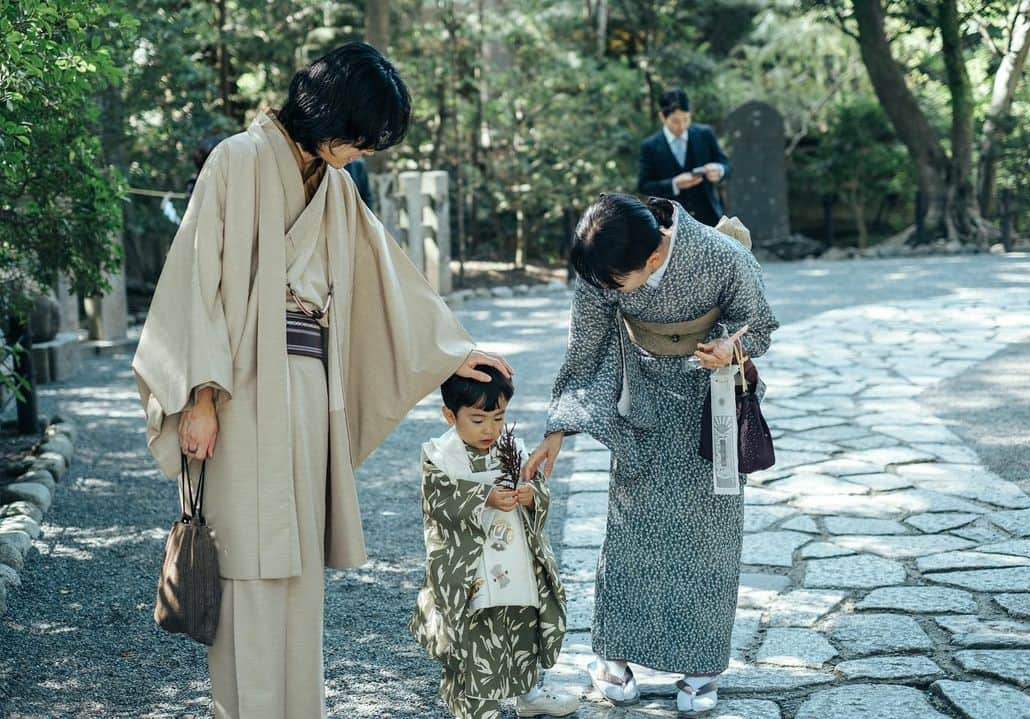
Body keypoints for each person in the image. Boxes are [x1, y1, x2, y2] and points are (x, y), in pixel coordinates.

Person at [133, 42, 511, 719]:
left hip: (308, 385)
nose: (363, 152)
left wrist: (451, 353)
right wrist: (199, 398)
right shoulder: (238, 160)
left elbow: (382, 278)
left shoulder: (333, 185)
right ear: (329, 114)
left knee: (299, 564)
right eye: (360, 136)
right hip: (239, 387)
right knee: (248, 558)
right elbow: (200, 282)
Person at [525, 194, 778, 715]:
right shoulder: (606, 265)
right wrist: (558, 428)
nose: (603, 290)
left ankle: (701, 668)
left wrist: (730, 348)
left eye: (615, 283)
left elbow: (759, 324)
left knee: (709, 536)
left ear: (654, 257)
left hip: (711, 401)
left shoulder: (722, 256)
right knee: (631, 531)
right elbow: (587, 347)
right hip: (641, 398)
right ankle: (615, 659)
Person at [410, 366, 579, 719]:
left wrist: (529, 495)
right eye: (477, 419)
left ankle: (529, 692)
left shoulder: (510, 447)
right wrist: (485, 497)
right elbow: (438, 502)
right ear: (449, 415)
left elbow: (538, 489)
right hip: (471, 567)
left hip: (513, 558)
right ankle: (474, 707)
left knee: (520, 621)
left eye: (498, 418)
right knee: (474, 635)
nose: (490, 429)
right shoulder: (440, 455)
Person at [638, 88, 730, 227]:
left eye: (686, 119)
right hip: (670, 224)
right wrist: (675, 183)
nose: (682, 126)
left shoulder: (705, 134)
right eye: (675, 121)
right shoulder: (650, 146)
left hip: (710, 220)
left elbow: (725, 164)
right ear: (662, 117)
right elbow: (644, 186)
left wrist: (719, 170)